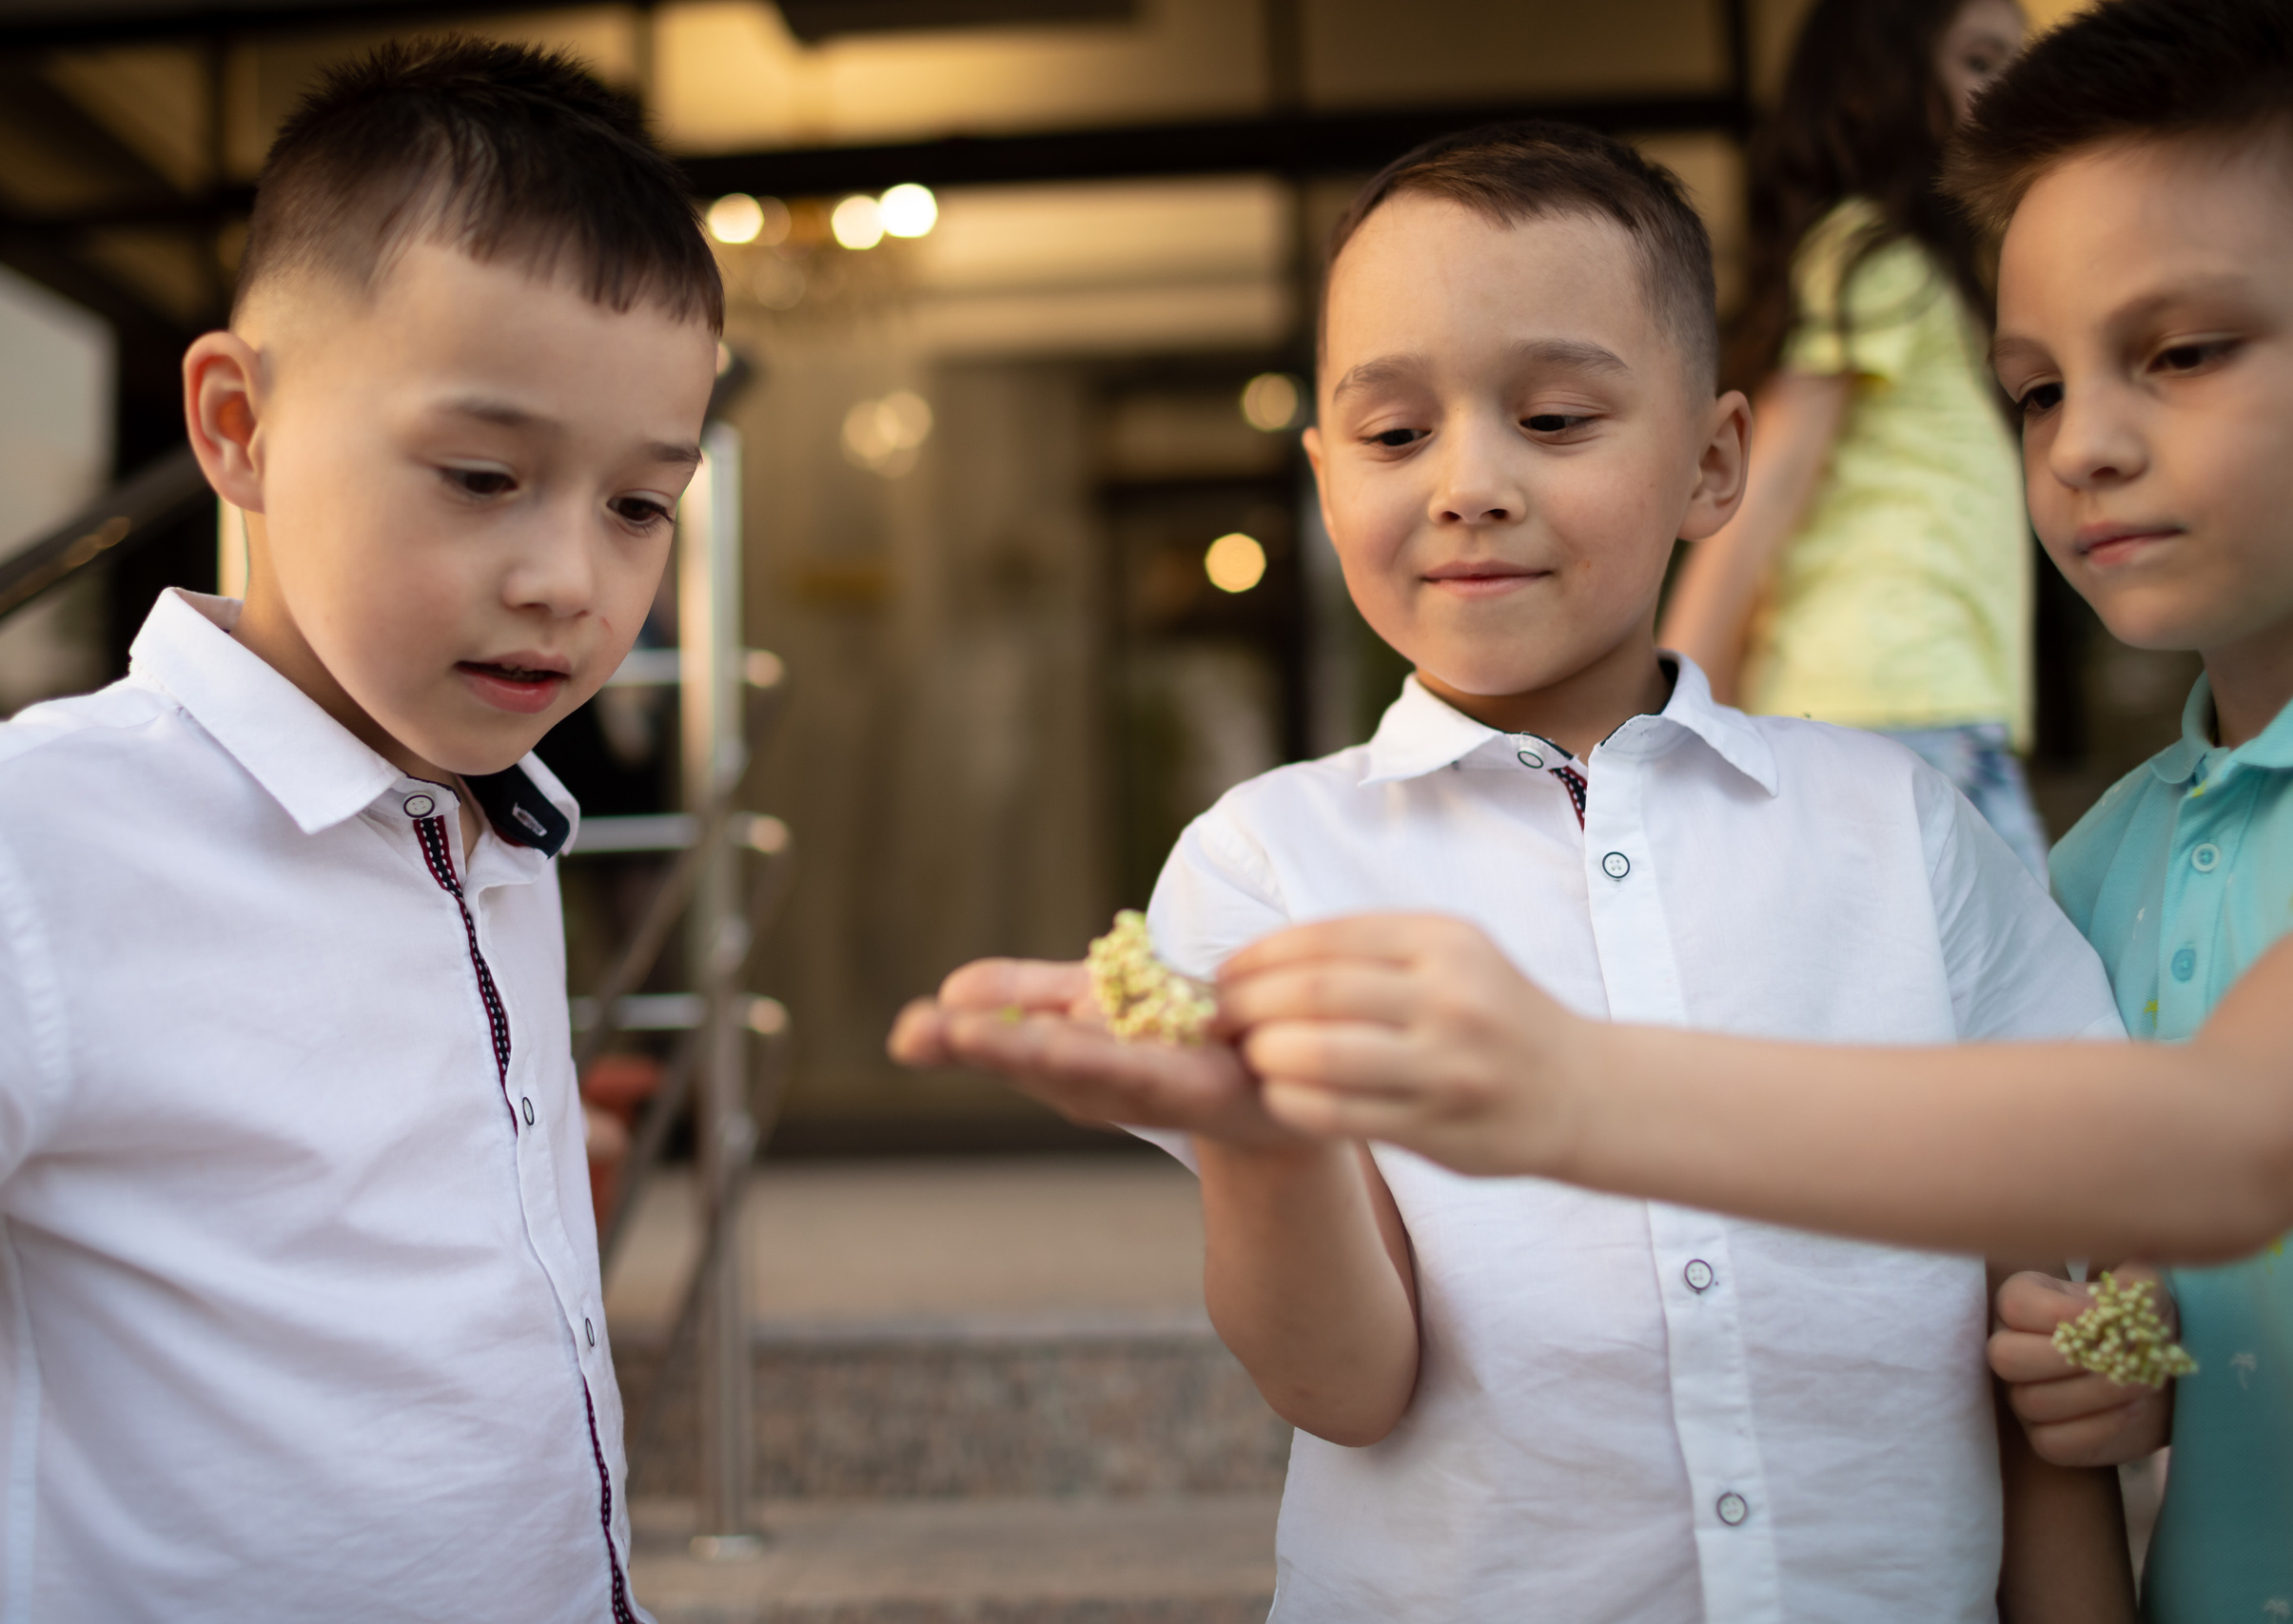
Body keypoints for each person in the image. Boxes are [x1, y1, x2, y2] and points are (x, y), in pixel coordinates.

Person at [892, 124, 2133, 1620]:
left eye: (1552, 418)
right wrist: (1258, 1140)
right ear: (1323, 475)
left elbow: (2049, 1282)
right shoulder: (1268, 861)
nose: (1468, 482)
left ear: (1715, 461)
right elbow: (1348, 1382)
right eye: (1395, 434)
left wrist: (2106, 1371)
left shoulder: (1901, 825)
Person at [1196, 4, 2293, 1615]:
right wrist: (2118, 1353)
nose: (2084, 445)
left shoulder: (1909, 833)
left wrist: (1560, 1084)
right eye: (2035, 392)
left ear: (1714, 461)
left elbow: (2197, 1159)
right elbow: (2080, 1295)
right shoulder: (2113, 857)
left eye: (2183, 349)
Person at [0, 39, 720, 1623]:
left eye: (639, 503)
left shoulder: (494, 831)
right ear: (238, 423)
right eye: (483, 473)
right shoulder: (11, 849)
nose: (568, 579)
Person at [1660, 0, 2046, 873]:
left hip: (1924, 702)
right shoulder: (1870, 255)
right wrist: (1665, 718)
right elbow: (1770, 488)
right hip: (1892, 699)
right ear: (1879, 82)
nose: (2011, 90)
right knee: (2021, 1002)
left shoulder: (1930, 271)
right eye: (1981, 60)